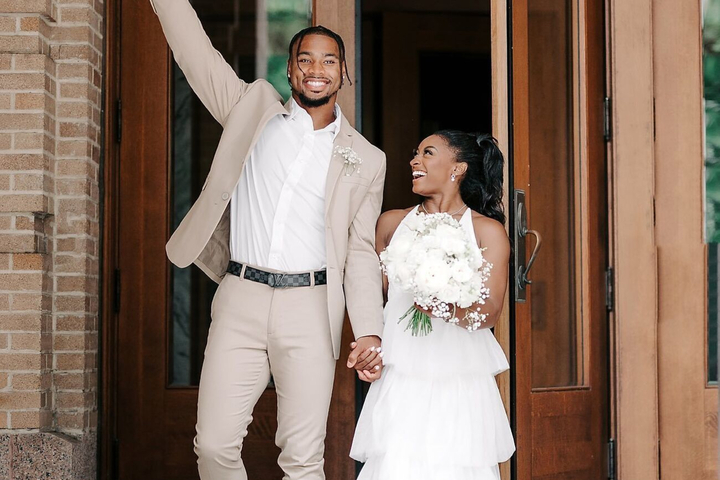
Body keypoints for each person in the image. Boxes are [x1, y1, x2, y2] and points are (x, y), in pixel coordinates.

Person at [149, 1, 386, 478]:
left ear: (343, 74)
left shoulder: (367, 158)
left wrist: (369, 331)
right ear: (290, 69)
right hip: (241, 298)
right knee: (214, 446)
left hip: (311, 308)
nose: (316, 70)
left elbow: (360, 252)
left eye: (328, 61)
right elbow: (195, 54)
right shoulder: (250, 113)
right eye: (305, 59)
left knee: (302, 460)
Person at [349, 131, 516, 479]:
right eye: (415, 153)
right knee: (398, 461)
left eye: (427, 153)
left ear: (457, 168)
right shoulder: (391, 224)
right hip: (402, 369)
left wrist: (440, 306)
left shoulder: (487, 231)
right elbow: (379, 299)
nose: (414, 161)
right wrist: (370, 347)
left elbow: (490, 312)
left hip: (458, 373)